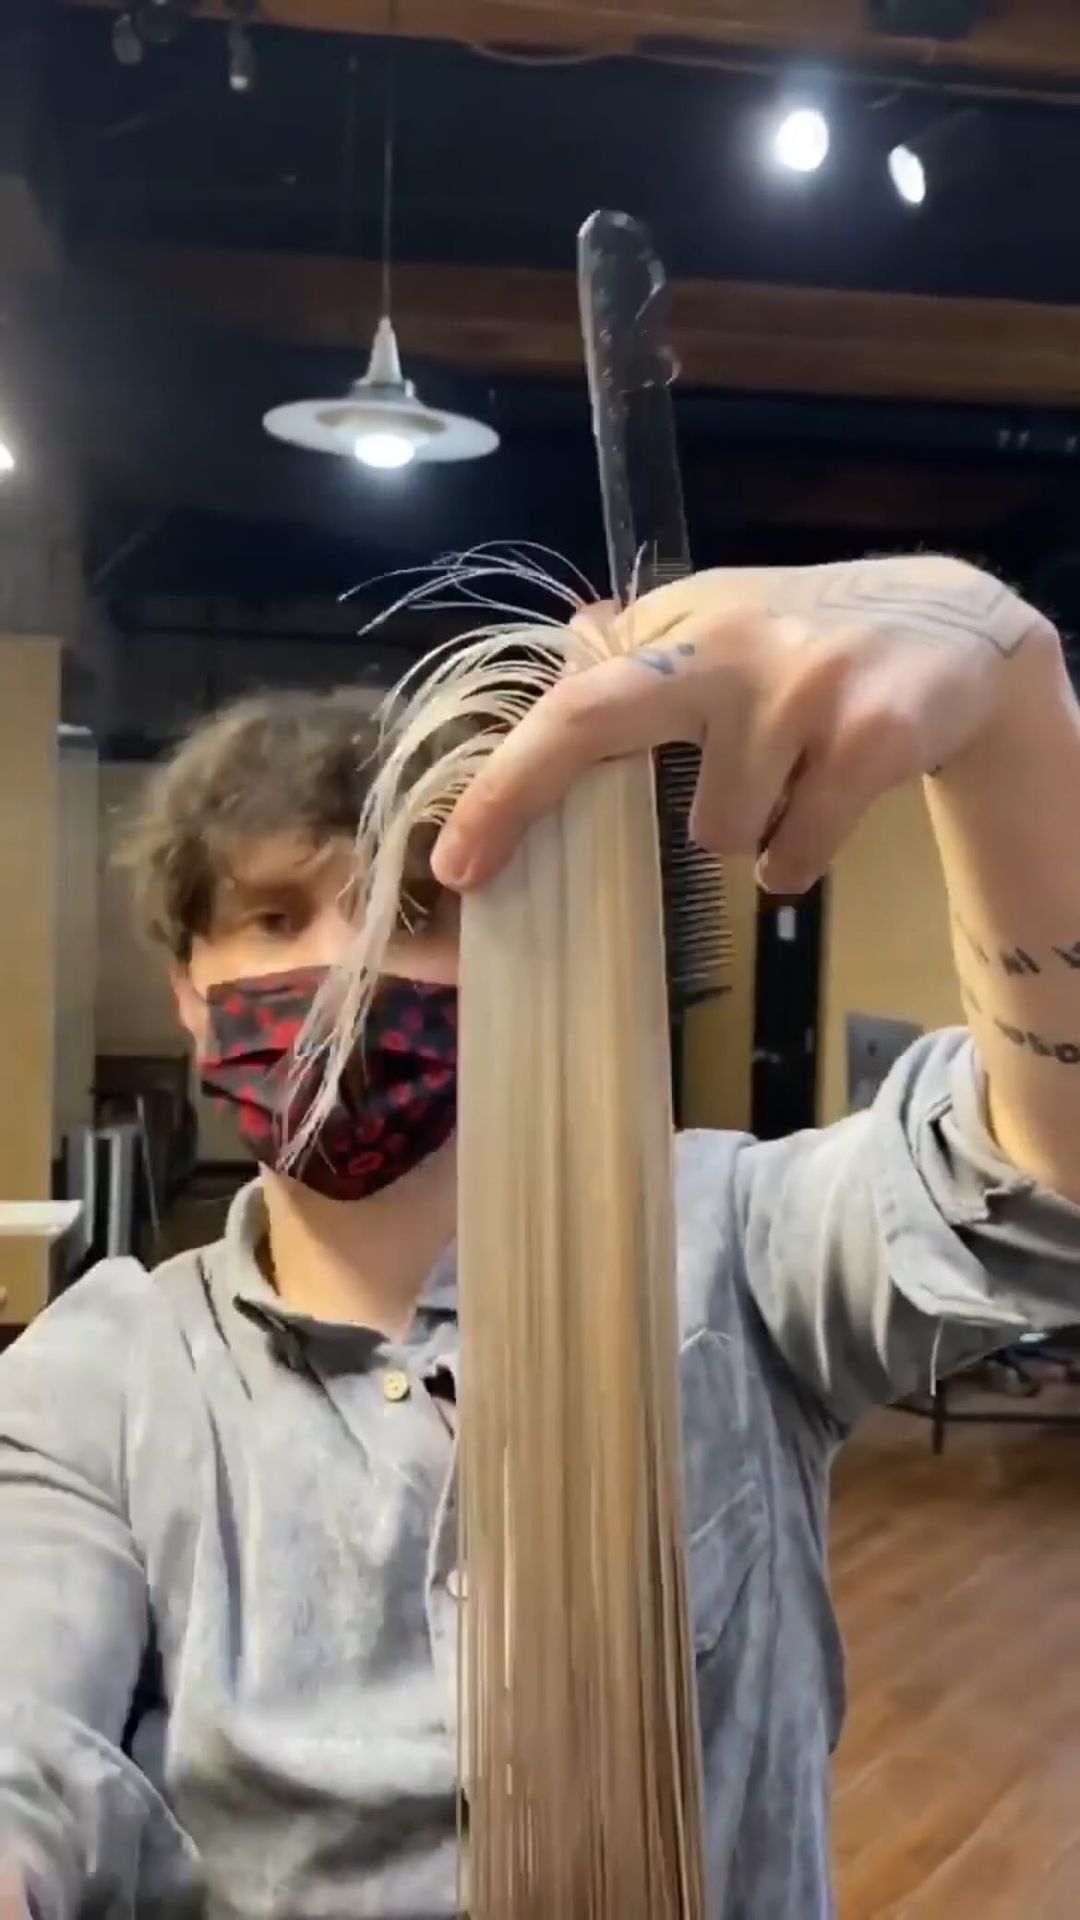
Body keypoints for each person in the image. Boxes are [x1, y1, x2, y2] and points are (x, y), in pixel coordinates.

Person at [2, 552, 1079, 1920]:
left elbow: (1040, 1187)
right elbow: (27, 1731)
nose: (344, 976)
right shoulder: (98, 1378)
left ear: (516, 944)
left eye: (413, 912)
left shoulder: (729, 1245)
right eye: (275, 918)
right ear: (188, 991)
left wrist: (1014, 710)